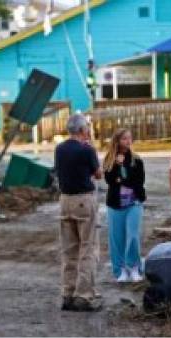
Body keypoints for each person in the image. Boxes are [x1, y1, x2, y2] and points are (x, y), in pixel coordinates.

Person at [54, 114, 102, 312]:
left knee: (69, 250)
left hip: (65, 200)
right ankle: (83, 296)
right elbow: (98, 174)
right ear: (83, 130)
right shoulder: (87, 149)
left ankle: (67, 294)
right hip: (83, 200)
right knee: (88, 249)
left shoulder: (59, 148)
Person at [102, 129, 146, 283]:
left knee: (132, 235)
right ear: (117, 141)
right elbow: (109, 180)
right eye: (124, 139)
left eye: (129, 138)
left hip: (134, 203)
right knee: (117, 238)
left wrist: (121, 180)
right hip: (115, 204)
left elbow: (138, 182)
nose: (128, 141)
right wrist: (117, 166)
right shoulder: (109, 159)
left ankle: (134, 267)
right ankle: (120, 270)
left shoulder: (136, 160)